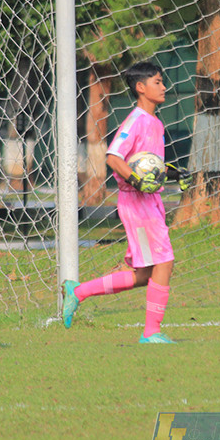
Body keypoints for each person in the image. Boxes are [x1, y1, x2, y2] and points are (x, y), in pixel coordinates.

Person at [61, 61, 189, 343]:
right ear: (141, 88)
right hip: (137, 203)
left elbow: (148, 164)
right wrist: (136, 181)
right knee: (164, 262)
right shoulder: (135, 121)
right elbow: (114, 158)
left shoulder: (154, 122)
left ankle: (78, 292)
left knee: (143, 274)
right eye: (157, 82)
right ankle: (151, 333)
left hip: (149, 202)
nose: (164, 86)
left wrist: (172, 172)